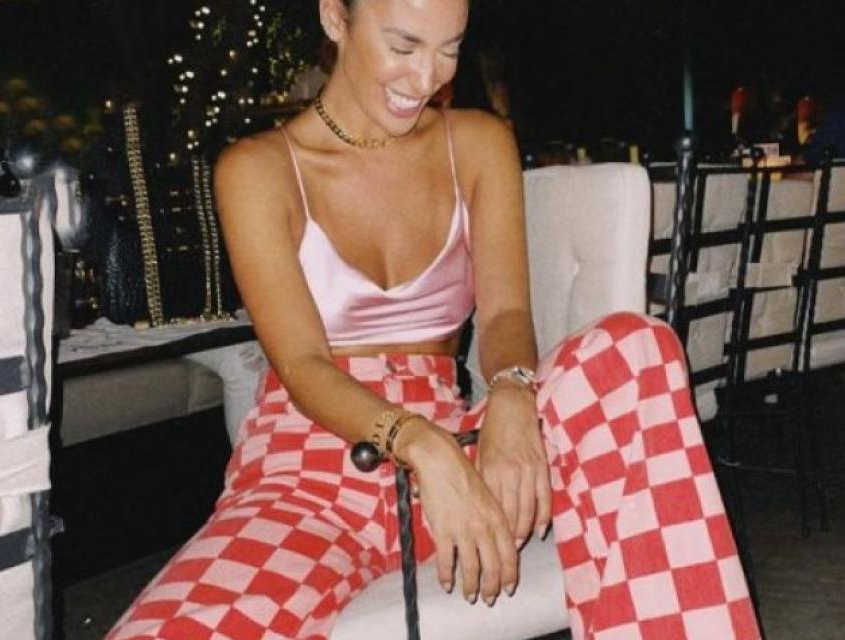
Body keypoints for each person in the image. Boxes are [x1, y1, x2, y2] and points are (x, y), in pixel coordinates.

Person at [107, 1, 761, 639]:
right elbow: (302, 365)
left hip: (468, 448)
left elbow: (506, 312)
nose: (426, 78)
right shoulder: (257, 169)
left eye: (449, 49)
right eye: (403, 46)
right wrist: (419, 444)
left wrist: (512, 393)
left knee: (636, 349)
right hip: (310, 475)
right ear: (335, 17)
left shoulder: (476, 143)